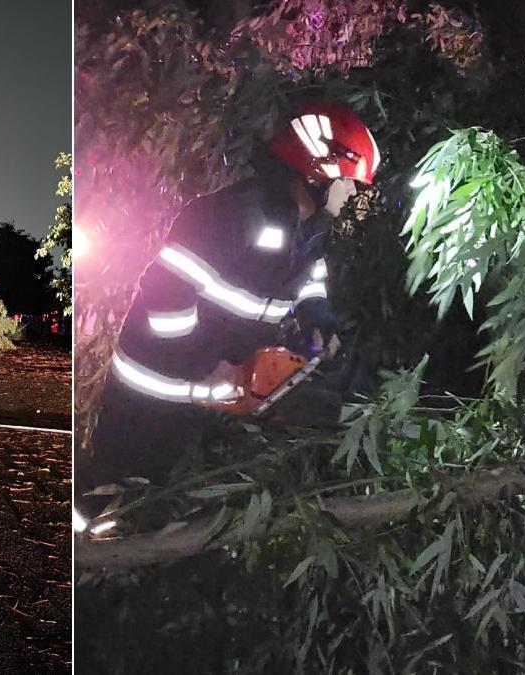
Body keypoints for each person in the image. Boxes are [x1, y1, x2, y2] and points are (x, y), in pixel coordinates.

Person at [78, 102, 380, 516]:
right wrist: (202, 364)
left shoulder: (309, 230)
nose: (355, 196)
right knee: (106, 495)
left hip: (207, 397)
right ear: (317, 173)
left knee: (159, 505)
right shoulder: (232, 215)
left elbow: (310, 278)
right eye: (351, 183)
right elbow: (166, 297)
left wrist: (318, 317)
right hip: (152, 390)